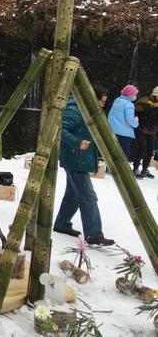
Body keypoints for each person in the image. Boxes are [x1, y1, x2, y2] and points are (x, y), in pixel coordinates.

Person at [53, 85, 114, 246]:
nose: (102, 104)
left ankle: (62, 224)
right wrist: (77, 142)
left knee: (73, 193)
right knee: (88, 196)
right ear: (92, 97)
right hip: (75, 159)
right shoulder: (76, 110)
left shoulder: (85, 109)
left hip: (78, 158)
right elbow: (60, 129)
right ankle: (94, 235)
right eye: (101, 101)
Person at [108, 84, 139, 160]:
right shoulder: (129, 104)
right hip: (124, 133)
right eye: (135, 94)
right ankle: (120, 172)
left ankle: (110, 169)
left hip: (113, 131)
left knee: (114, 155)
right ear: (130, 94)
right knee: (123, 157)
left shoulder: (117, 100)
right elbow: (130, 120)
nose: (136, 96)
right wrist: (136, 121)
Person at [133, 86, 158, 179]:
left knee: (150, 151)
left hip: (152, 131)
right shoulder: (144, 101)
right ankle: (135, 169)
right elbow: (136, 111)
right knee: (142, 148)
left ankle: (144, 170)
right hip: (141, 129)